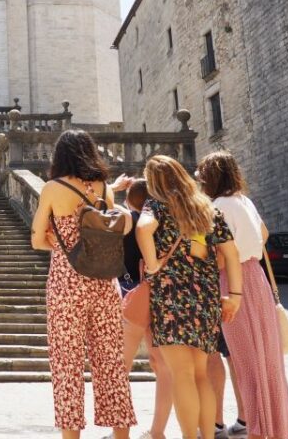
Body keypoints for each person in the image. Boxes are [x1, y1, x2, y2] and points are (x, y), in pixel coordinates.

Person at [31, 129, 137, 439]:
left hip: (67, 282)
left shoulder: (53, 188)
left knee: (67, 363)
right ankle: (121, 434)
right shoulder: (103, 188)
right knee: (111, 360)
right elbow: (109, 228)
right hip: (104, 281)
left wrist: (60, 244)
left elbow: (37, 239)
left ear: (59, 156)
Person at [136, 155, 243, 439]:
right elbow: (232, 253)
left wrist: (153, 263)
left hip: (170, 298)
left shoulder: (156, 205)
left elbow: (143, 228)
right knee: (200, 375)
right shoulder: (205, 208)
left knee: (181, 375)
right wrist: (235, 295)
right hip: (206, 298)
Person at [197, 152, 288, 439]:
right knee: (266, 359)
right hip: (257, 277)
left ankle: (257, 428)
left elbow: (218, 256)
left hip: (232, 280)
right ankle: (273, 425)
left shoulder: (218, 206)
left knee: (245, 361)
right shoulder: (244, 201)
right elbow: (263, 234)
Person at [112, 178, 173, 439]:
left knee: (119, 368)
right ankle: (158, 430)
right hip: (160, 297)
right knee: (163, 367)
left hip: (130, 299)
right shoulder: (162, 224)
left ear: (129, 201)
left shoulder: (125, 221)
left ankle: (120, 432)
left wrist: (112, 190)